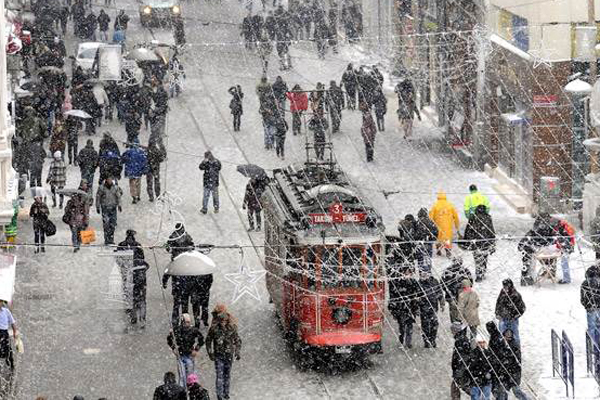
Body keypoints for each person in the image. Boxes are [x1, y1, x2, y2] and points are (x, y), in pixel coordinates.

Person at [206, 305, 242, 400]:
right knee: (219, 375)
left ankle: (226, 393)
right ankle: (220, 395)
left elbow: (238, 340)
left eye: (224, 321)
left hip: (229, 355)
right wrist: (210, 353)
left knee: (227, 375)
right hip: (219, 355)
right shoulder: (214, 329)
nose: (223, 323)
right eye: (221, 321)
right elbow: (208, 340)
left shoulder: (232, 328)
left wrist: (237, 352)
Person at [164, 223, 195, 324]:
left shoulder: (175, 236)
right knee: (183, 305)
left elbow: (167, 245)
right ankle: (184, 320)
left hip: (178, 262)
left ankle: (176, 320)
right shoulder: (186, 236)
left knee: (176, 304)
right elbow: (192, 246)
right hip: (183, 262)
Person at [117, 230, 148, 326]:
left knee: (128, 291)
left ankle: (131, 312)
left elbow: (118, 258)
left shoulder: (121, 245)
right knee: (142, 297)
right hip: (140, 275)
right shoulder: (138, 245)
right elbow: (143, 259)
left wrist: (123, 266)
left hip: (127, 272)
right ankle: (142, 316)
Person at [168, 313, 205, 387]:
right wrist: (173, 348)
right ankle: (182, 391)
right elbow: (169, 340)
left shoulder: (193, 330)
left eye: (189, 322)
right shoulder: (177, 330)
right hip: (180, 355)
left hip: (190, 355)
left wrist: (196, 349)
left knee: (190, 375)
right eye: (186, 322)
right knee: (182, 376)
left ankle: (190, 390)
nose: (187, 324)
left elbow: (201, 340)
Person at [462, 205, 496, 281]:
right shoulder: (488, 218)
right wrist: (492, 242)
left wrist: (466, 241)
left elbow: (468, 230)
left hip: (476, 242)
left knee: (477, 259)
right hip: (485, 242)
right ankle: (482, 272)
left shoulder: (473, 218)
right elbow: (491, 230)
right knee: (484, 258)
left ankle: (479, 274)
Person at [387, 266, 419, 348]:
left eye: (410, 272)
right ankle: (401, 340)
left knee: (409, 325)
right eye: (407, 272)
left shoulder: (413, 282)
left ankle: (408, 342)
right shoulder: (397, 282)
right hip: (401, 308)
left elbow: (418, 293)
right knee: (401, 326)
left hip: (411, 307)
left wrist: (416, 304)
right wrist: (392, 309)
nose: (409, 274)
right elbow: (393, 296)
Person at [495, 278, 526, 346]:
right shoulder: (502, 293)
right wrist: (497, 313)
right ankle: (501, 350)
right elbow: (498, 303)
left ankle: (517, 350)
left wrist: (515, 316)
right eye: (504, 286)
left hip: (513, 320)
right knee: (501, 336)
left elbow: (522, 308)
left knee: (515, 337)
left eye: (506, 286)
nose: (505, 288)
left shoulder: (516, 295)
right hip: (503, 318)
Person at [429, 191, 460, 257]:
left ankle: (438, 249)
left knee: (438, 237)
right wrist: (457, 226)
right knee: (447, 238)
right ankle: (447, 250)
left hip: (438, 225)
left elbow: (430, 217)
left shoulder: (435, 205)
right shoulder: (450, 205)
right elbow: (456, 217)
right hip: (448, 226)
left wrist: (431, 226)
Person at [418, 271, 443, 348]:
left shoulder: (435, 281)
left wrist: (442, 303)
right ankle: (426, 341)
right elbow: (416, 295)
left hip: (433, 307)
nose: (424, 276)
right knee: (425, 325)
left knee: (434, 324)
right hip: (423, 308)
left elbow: (440, 292)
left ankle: (432, 339)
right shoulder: (419, 283)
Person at [582, 264, 600, 365]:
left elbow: (582, 298)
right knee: (598, 326)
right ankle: (597, 344)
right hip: (598, 308)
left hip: (590, 309)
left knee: (591, 327)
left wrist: (587, 305)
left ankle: (592, 345)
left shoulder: (585, 283)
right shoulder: (598, 282)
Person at [96, 177, 122, 245]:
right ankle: (107, 239)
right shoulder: (101, 188)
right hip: (105, 208)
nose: (109, 181)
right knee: (106, 224)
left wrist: (119, 205)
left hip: (113, 208)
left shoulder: (115, 188)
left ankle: (111, 239)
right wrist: (98, 206)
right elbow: (98, 197)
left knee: (112, 224)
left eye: (111, 179)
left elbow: (118, 197)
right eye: (108, 179)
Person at [451, 322, 473, 400]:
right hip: (461, 369)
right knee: (459, 387)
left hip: (461, 370)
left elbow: (463, 357)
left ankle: (480, 396)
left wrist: (459, 371)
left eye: (453, 330)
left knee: (458, 387)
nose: (451, 332)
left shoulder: (460, 340)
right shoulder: (461, 339)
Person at [414, 208, 438, 273]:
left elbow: (415, 234)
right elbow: (436, 231)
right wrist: (432, 239)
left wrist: (417, 239)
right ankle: (428, 272)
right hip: (428, 243)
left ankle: (422, 274)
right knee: (428, 258)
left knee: (421, 259)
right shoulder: (430, 221)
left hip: (420, 243)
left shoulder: (418, 222)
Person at [0, 300, 18, 371]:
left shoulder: (6, 311)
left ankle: (11, 364)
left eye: (0, 302)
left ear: (2, 302)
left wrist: (15, 332)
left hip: (4, 332)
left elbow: (12, 322)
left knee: (8, 349)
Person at [557, 218, 575, 284]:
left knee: (564, 263)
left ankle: (567, 279)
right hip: (565, 247)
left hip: (567, 248)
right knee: (564, 263)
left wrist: (563, 245)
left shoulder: (566, 228)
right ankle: (566, 278)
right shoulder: (563, 227)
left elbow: (568, 238)